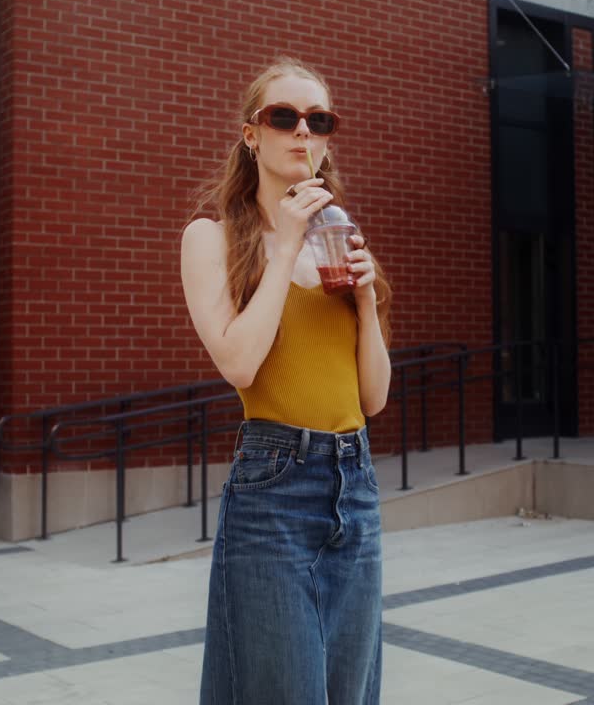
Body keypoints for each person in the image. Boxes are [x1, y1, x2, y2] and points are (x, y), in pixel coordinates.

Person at [181, 56, 392, 704]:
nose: (303, 132)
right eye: (285, 118)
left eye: (318, 120)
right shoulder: (211, 239)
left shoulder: (342, 241)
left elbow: (373, 399)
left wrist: (364, 301)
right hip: (274, 489)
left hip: (354, 487)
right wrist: (283, 246)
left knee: (347, 692)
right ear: (253, 136)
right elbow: (239, 363)